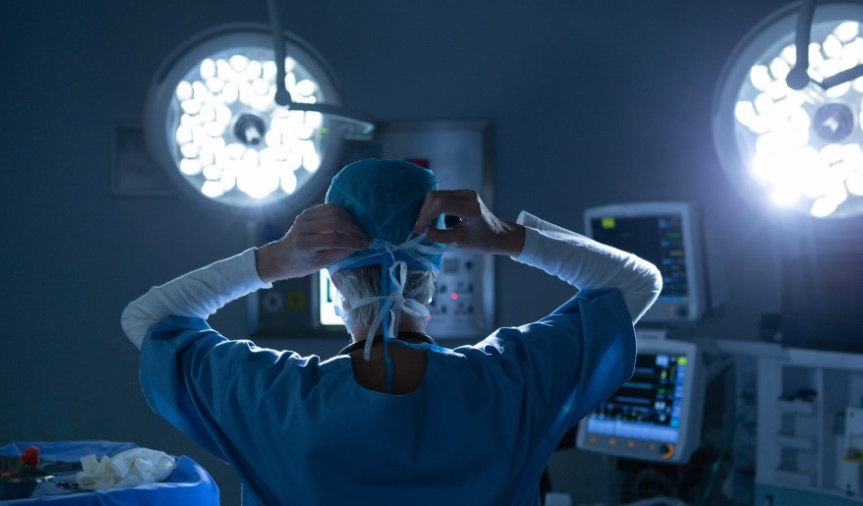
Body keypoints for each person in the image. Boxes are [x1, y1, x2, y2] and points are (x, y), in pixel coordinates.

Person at [121, 158, 662, 506]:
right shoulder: (510, 384)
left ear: (331, 279)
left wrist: (273, 259)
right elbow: (637, 283)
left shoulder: (274, 401)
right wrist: (507, 237)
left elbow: (147, 321)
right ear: (434, 274)